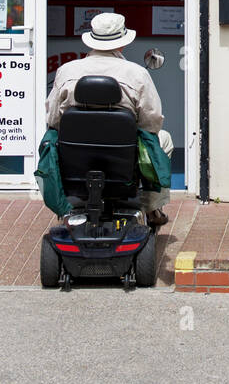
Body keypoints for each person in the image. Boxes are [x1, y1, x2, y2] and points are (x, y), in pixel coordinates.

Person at [45, 12, 172, 226]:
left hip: (77, 158)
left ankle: (70, 201)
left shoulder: (66, 71)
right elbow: (152, 122)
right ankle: (151, 208)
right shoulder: (137, 74)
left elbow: (53, 119)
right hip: (123, 160)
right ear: (122, 44)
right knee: (164, 139)